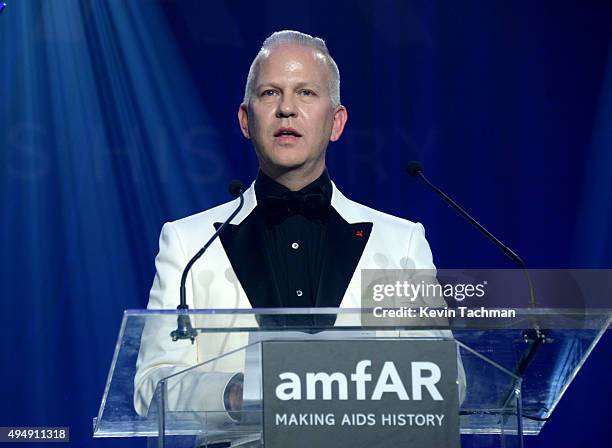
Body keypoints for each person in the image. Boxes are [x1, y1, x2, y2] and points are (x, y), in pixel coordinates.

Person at [134, 30, 458, 429]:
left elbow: (447, 378)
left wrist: (346, 386)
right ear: (245, 119)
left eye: (306, 93)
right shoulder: (188, 243)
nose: (287, 108)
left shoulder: (400, 241)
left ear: (336, 122)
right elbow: (153, 385)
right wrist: (239, 392)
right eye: (270, 93)